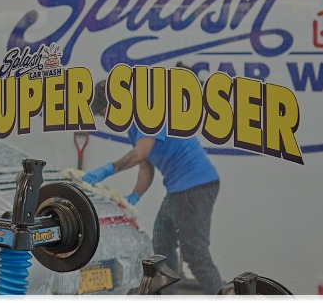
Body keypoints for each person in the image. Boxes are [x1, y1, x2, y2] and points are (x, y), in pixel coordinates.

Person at [82, 80, 222, 293]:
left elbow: (139, 154)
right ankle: (167, 295)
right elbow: (146, 168)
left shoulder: (146, 112)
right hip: (179, 189)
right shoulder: (133, 127)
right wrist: (134, 197)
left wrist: (106, 170)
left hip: (196, 185)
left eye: (105, 111)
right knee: (162, 245)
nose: (106, 118)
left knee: (195, 253)